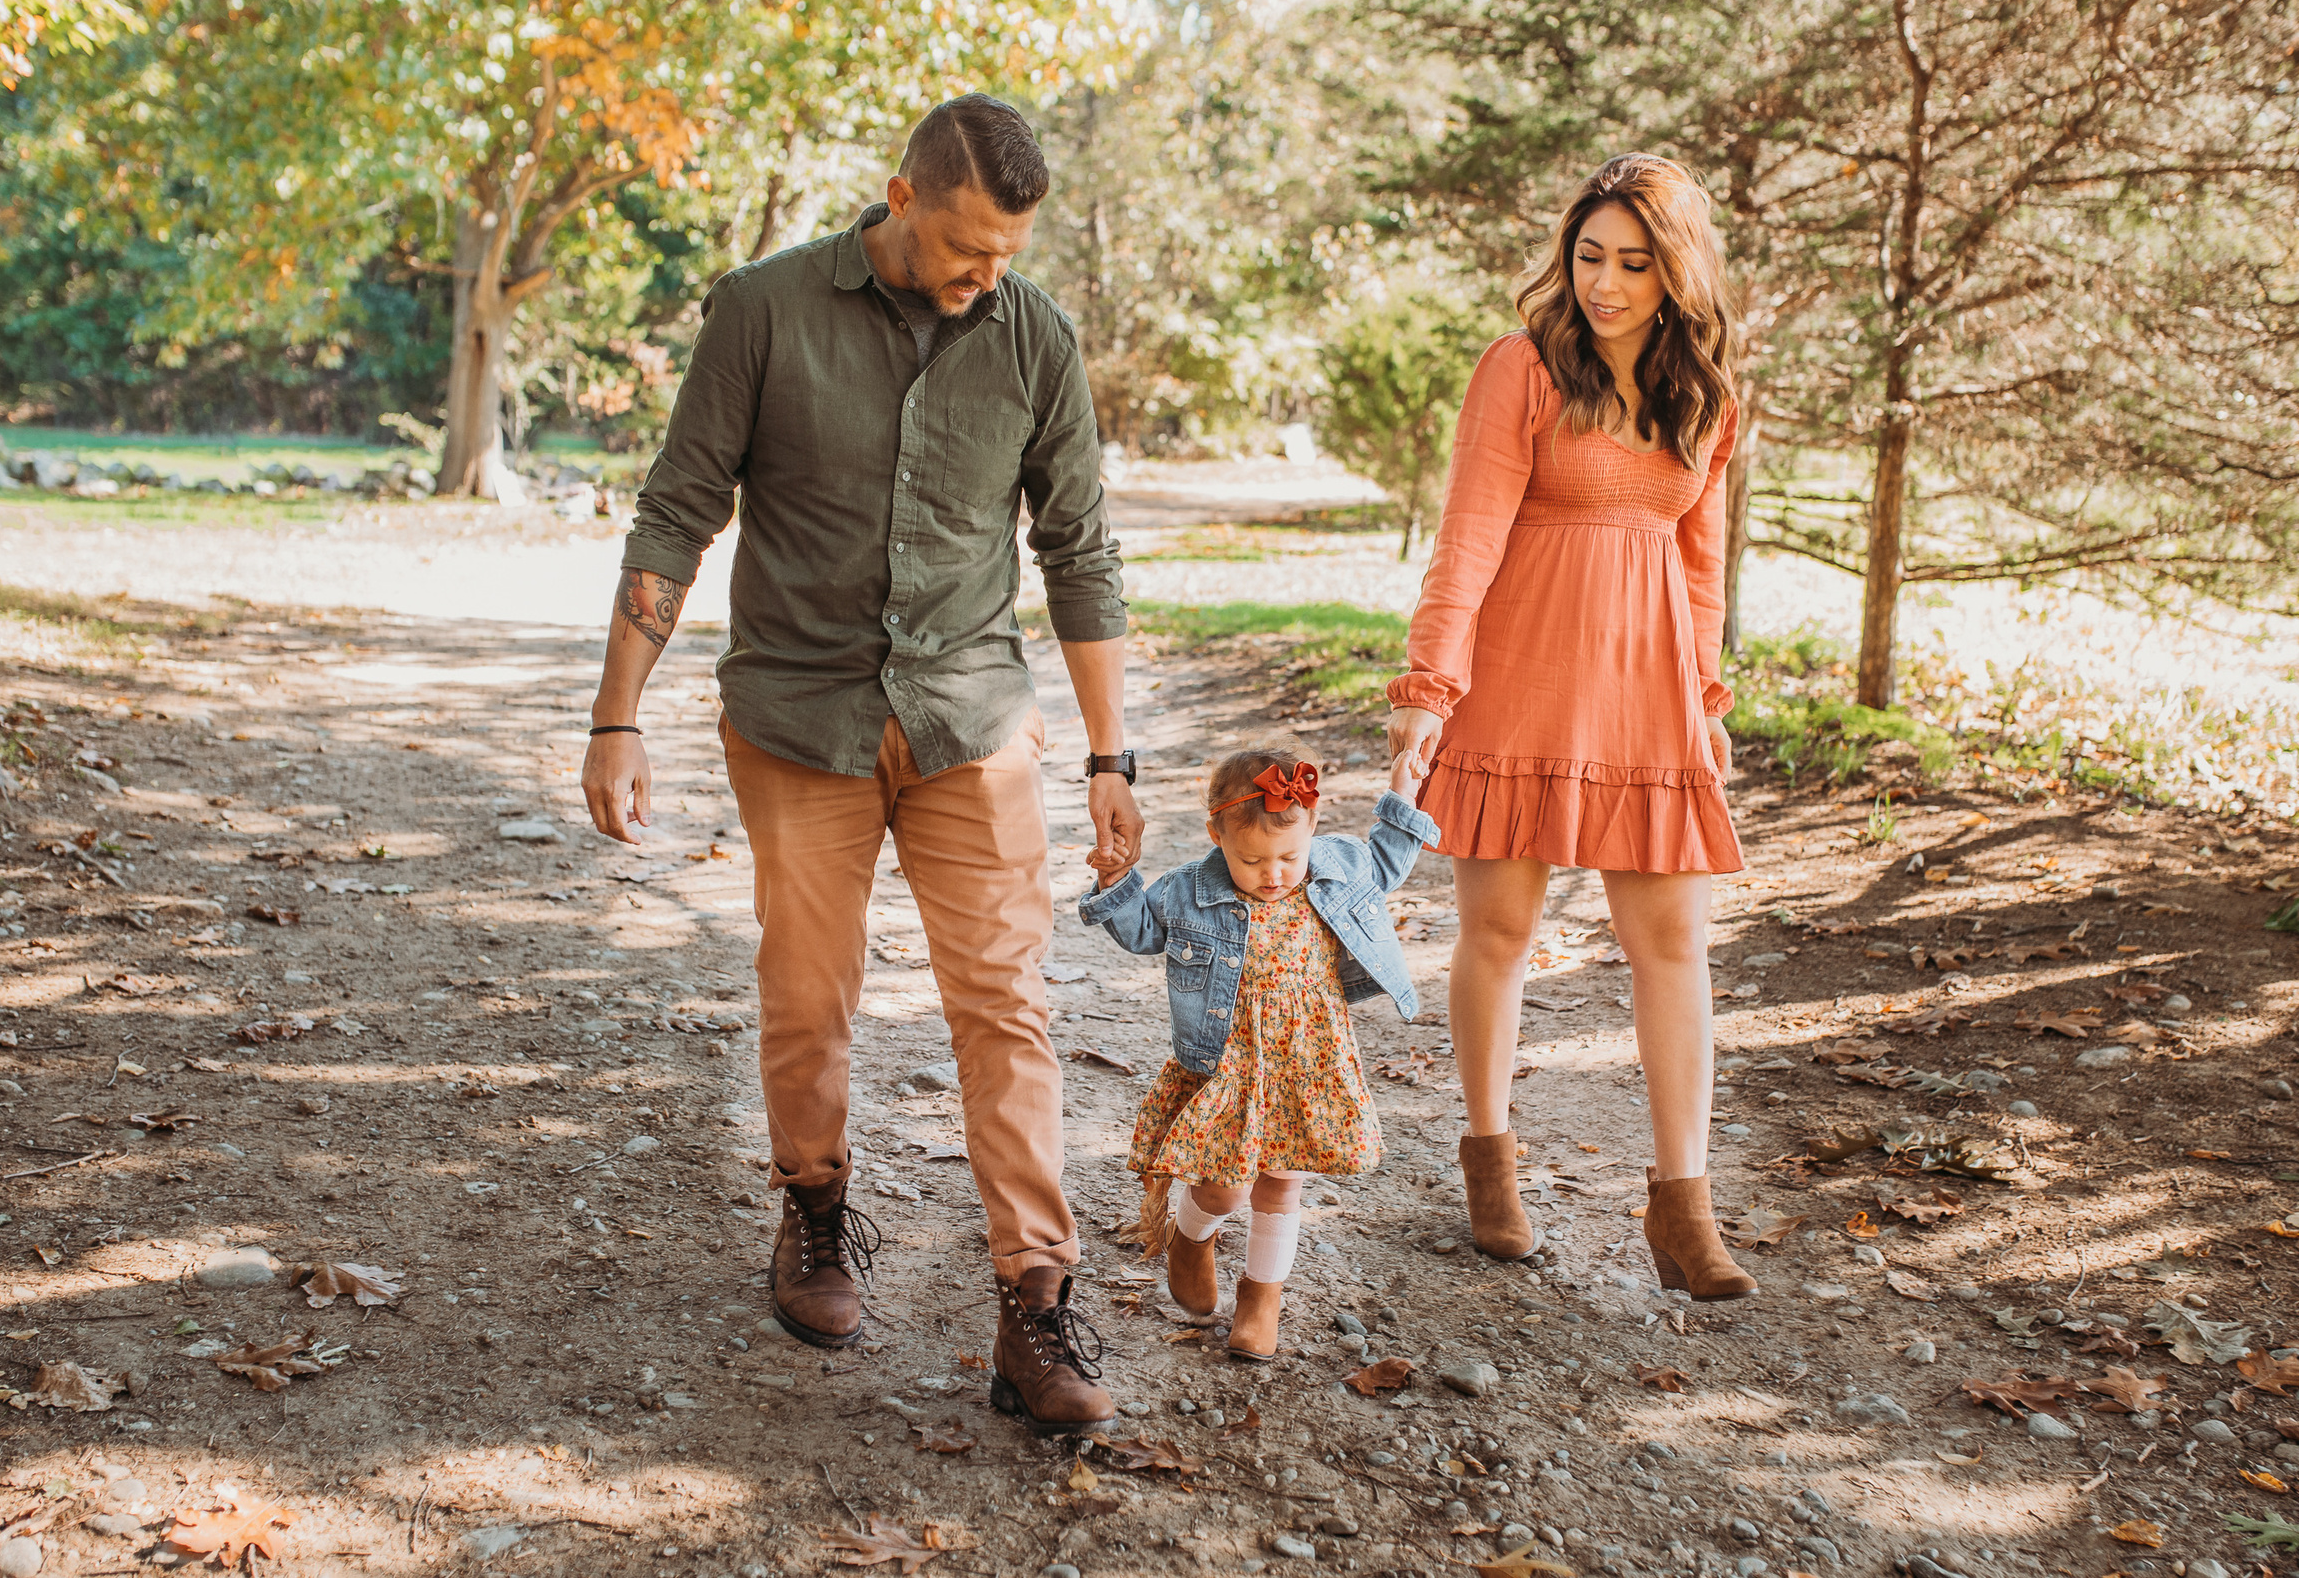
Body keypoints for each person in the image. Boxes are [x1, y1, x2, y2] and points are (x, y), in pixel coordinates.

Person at [580, 94, 1147, 1436]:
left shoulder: (1034, 336)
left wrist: (1110, 754)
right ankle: (817, 1208)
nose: (986, 275)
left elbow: (1080, 548)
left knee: (1007, 1005)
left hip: (969, 718)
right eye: (966, 245)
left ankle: (1034, 1297)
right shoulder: (762, 310)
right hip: (801, 716)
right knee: (808, 989)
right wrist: (616, 717)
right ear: (901, 198)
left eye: (1008, 253)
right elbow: (678, 509)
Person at [1385, 152, 1755, 1300]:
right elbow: (1468, 537)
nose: (1604, 283)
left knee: (1673, 941)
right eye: (1589, 256)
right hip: (1520, 676)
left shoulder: (1705, 398)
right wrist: (1427, 688)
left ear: (1675, 271)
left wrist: (1706, 697)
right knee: (1499, 929)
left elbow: (1700, 567)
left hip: (1648, 695)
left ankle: (1682, 1205)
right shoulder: (1524, 368)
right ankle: (1490, 1158)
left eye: (1634, 264)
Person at [1078, 746, 1436, 1359]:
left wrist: (1402, 791)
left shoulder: (1336, 868)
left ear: (1313, 825)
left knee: (1281, 1187)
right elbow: (1140, 931)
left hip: (1309, 1063)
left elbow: (1386, 860)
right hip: (1229, 1065)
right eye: (1252, 860)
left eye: (1289, 857)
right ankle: (1192, 1236)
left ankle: (1261, 1298)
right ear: (1216, 835)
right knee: (1224, 1190)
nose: (1274, 874)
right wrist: (1115, 878)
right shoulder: (1190, 890)